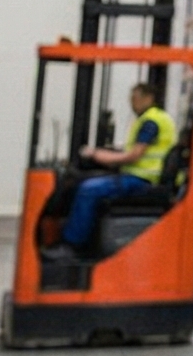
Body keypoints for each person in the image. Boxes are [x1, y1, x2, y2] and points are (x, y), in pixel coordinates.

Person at [63, 81, 178, 253]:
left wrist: (99, 155)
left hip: (142, 179)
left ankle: (72, 245)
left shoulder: (151, 122)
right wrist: (105, 152)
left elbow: (133, 155)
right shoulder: (153, 118)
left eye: (135, 98)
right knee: (88, 182)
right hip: (140, 177)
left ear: (149, 98)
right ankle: (86, 240)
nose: (132, 103)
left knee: (88, 189)